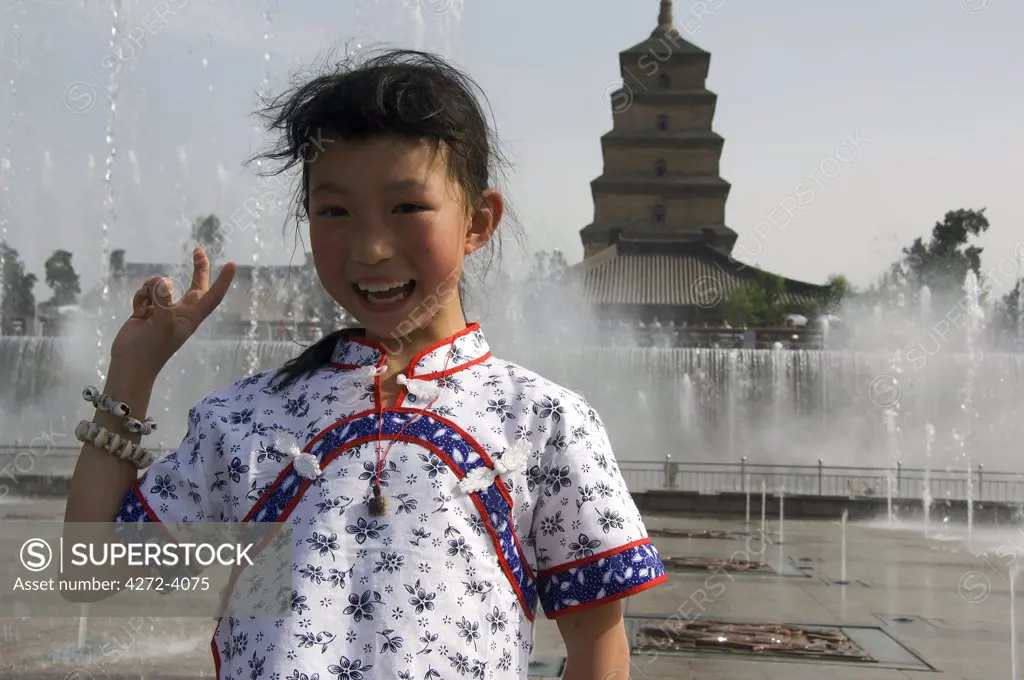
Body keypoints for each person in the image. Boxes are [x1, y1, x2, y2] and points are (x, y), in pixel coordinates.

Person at [63, 49, 666, 679]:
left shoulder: (544, 423)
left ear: (480, 220)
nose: (371, 248)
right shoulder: (241, 418)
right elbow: (86, 572)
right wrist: (133, 371)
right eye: (335, 212)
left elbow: (597, 648)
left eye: (407, 208)